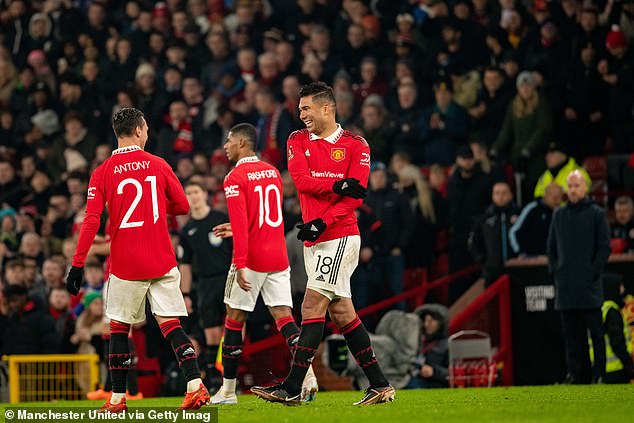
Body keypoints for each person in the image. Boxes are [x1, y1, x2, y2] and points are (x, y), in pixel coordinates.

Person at [251, 82, 394, 405]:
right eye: (300, 109)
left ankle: (291, 387)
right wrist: (339, 183)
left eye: (306, 109)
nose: (301, 115)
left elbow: (354, 198)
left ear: (326, 108)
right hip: (314, 240)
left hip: (341, 236)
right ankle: (380, 384)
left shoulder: (357, 145)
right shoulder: (297, 139)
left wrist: (322, 221)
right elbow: (301, 180)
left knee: (311, 305)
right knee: (342, 312)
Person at [65, 108, 209, 412]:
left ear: (118, 134)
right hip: (161, 258)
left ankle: (118, 398)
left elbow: (91, 220)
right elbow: (182, 206)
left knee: (119, 329)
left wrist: (77, 264)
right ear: (141, 130)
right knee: (171, 324)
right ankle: (195, 384)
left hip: (126, 262)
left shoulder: (102, 171)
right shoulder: (158, 164)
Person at [209, 123, 317, 405]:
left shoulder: (234, 177)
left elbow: (247, 221)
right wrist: (236, 228)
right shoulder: (272, 173)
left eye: (229, 141)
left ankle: (228, 392)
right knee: (284, 318)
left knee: (234, 319)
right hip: (277, 254)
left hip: (253, 257)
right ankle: (308, 375)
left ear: (243, 143)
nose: (225, 146)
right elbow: (266, 217)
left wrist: (241, 262)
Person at [547, 170, 611, 384]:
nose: (573, 190)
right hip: (566, 286)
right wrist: (557, 271)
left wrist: (593, 272)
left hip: (588, 285)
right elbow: (551, 248)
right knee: (570, 336)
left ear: (586, 188)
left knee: (596, 334)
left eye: (577, 185)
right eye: (570, 186)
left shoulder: (596, 214)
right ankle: (574, 375)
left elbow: (604, 248)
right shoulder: (558, 215)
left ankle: (599, 374)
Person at [179, 180, 232, 384]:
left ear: (204, 194)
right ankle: (214, 379)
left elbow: (237, 248)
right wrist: (185, 295)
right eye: (189, 192)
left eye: (196, 191)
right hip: (205, 284)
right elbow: (185, 265)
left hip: (228, 278)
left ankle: (230, 377)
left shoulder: (221, 219)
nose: (193, 196)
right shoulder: (187, 230)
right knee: (210, 331)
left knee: (233, 328)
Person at [468, 182, 519, 285]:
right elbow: (473, 242)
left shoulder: (520, 215)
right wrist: (484, 261)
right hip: (492, 273)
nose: (501, 196)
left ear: (511, 195)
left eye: (504, 193)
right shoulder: (485, 219)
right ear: (492, 196)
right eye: (497, 193)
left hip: (518, 271)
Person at [589, 274, 634, 384]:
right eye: (620, 285)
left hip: (600, 369)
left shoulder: (598, 310)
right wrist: (629, 367)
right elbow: (617, 343)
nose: (623, 289)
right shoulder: (612, 312)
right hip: (616, 369)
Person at [509, 183, 563, 256]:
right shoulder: (532, 208)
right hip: (530, 260)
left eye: (561, 198)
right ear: (546, 195)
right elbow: (513, 232)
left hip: (551, 260)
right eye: (555, 198)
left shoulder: (560, 213)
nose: (558, 202)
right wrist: (519, 253)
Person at [406, 304, 449, 389]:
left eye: (431, 321)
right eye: (425, 321)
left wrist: (434, 372)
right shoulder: (419, 343)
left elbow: (454, 374)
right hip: (415, 380)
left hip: (435, 385)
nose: (426, 324)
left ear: (441, 323)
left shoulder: (447, 345)